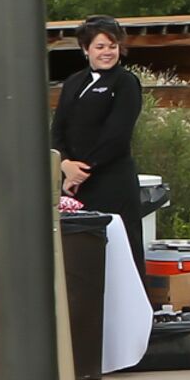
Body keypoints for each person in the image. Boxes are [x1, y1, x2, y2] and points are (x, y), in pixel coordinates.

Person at [51, 16, 146, 252]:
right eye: (100, 47)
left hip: (111, 182)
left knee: (119, 249)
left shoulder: (125, 82)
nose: (107, 53)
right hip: (74, 185)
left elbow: (117, 135)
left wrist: (82, 170)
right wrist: (64, 164)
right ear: (86, 49)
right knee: (80, 252)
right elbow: (57, 128)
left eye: (112, 47)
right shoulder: (73, 82)